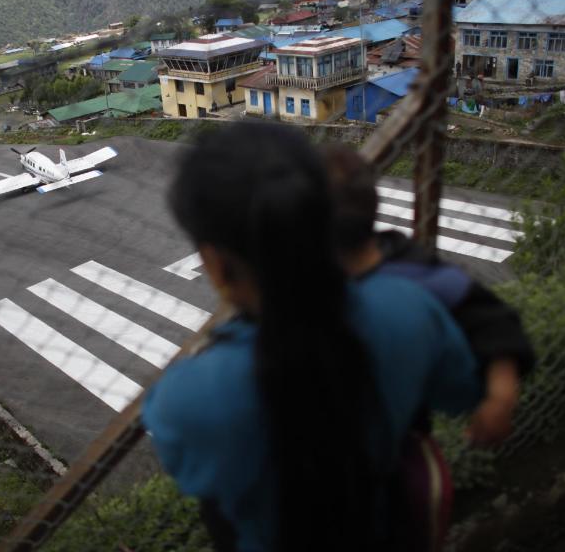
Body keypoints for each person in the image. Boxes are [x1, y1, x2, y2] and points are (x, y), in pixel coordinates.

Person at [142, 123, 483, 552]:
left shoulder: (187, 398)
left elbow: (191, 469)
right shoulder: (409, 308)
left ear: (214, 263)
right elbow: (461, 390)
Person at [323, 144, 535, 447]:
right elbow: (495, 320)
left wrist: (500, 398)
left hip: (393, 442)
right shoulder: (414, 269)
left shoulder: (408, 272)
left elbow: (493, 320)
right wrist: (500, 398)